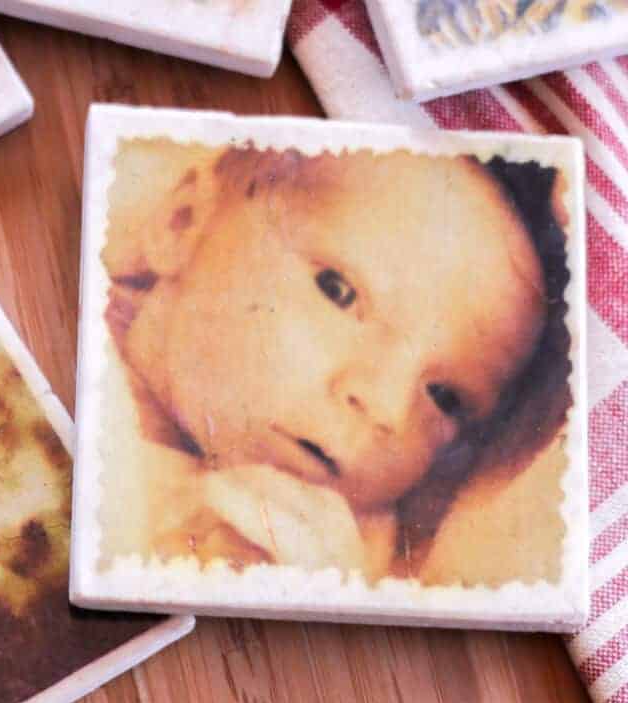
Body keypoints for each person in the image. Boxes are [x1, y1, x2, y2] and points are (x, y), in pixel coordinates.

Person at [102, 145, 570, 581]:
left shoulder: (347, 553)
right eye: (339, 292)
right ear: (182, 222)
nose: (385, 404)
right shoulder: (69, 349)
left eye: (445, 396)